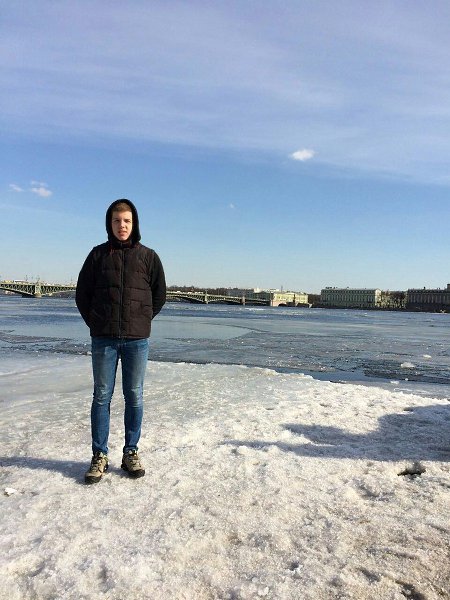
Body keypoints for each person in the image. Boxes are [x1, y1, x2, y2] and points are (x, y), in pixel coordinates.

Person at [76, 199, 166, 484]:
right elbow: (82, 294)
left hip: (136, 340)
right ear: (109, 224)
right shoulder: (97, 255)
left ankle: (130, 452)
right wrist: (97, 322)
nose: (122, 226)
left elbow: (159, 295)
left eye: (127, 221)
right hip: (103, 339)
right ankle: (99, 455)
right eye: (117, 221)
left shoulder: (149, 257)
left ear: (134, 223)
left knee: (134, 395)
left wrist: (142, 319)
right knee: (102, 396)